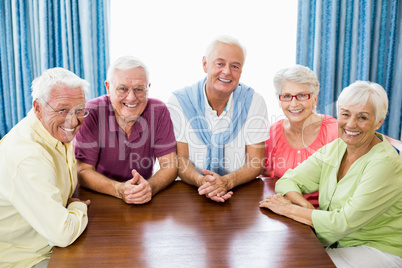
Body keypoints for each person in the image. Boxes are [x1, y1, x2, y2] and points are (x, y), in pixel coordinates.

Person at [259, 81, 402, 267]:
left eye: (363, 117)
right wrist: (305, 207)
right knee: (280, 255)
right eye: (345, 114)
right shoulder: (337, 147)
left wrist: (287, 208)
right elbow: (288, 180)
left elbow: (342, 223)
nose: (351, 124)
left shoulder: (384, 164)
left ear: (379, 121)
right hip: (336, 243)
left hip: (375, 249)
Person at [0, 68, 91, 267]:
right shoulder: (28, 155)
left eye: (79, 110)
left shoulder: (52, 132)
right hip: (24, 259)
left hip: (47, 245)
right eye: (62, 110)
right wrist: (78, 206)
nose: (73, 121)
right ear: (38, 108)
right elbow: (63, 234)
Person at [168, 36, 269, 202]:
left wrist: (227, 182)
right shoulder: (179, 101)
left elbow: (255, 162)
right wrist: (202, 181)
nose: (227, 72)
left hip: (240, 191)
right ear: (205, 64)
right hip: (189, 192)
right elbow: (180, 160)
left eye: (235, 66)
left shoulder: (254, 101)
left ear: (241, 71)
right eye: (220, 63)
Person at [74, 56, 177, 204]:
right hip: (100, 197)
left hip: (143, 197)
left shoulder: (158, 110)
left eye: (139, 89)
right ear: (108, 88)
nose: (131, 97)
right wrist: (119, 189)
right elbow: (82, 171)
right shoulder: (91, 112)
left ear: (148, 88)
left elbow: (170, 165)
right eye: (123, 89)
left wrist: (150, 187)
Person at [262, 65, 338, 208]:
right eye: (287, 96)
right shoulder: (273, 132)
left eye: (302, 95)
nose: (294, 103)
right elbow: (265, 177)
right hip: (284, 212)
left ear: (314, 99)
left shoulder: (334, 131)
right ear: (280, 100)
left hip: (323, 216)